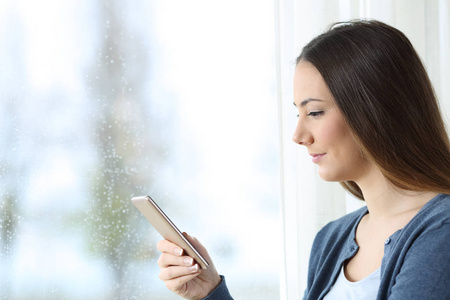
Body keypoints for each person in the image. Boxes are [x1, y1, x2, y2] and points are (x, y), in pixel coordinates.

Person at [156, 20, 450, 300]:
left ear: (376, 110)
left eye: (315, 112)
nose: (298, 135)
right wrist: (209, 291)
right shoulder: (331, 240)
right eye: (298, 112)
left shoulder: (441, 231)